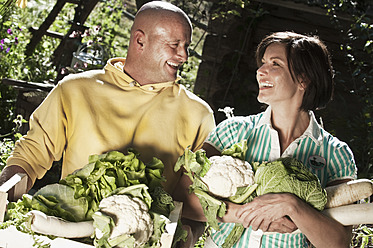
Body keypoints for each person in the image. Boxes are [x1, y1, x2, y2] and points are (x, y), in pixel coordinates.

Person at [1, 1, 215, 213]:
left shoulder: (199, 115)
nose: (184, 56)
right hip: (65, 231)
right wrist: (3, 192)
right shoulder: (74, 90)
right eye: (174, 45)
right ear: (140, 41)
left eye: (186, 46)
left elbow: (195, 202)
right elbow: (31, 156)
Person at [174, 31, 357, 247]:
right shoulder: (234, 131)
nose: (261, 71)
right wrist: (244, 213)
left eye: (275, 64)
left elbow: (339, 242)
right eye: (262, 63)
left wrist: (291, 205)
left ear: (303, 78)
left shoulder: (335, 154)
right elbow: (182, 197)